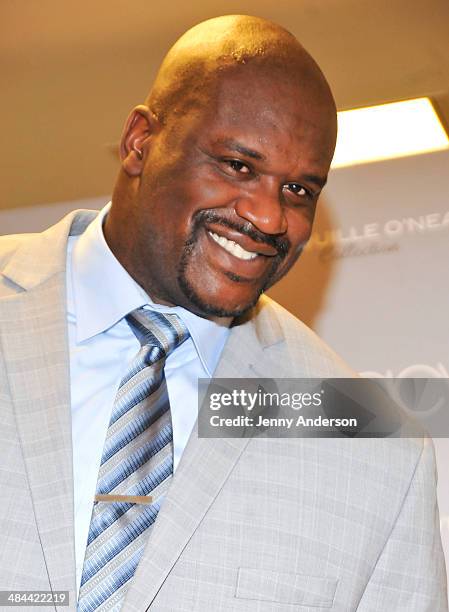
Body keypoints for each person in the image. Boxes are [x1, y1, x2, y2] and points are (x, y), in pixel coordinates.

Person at [0, 14, 446, 612]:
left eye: (298, 191)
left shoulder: (378, 449)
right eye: (239, 165)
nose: (267, 216)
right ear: (140, 142)